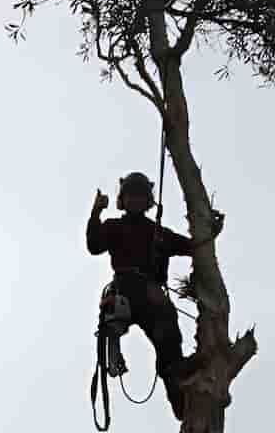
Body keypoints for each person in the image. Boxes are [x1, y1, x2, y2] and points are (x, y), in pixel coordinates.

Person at [86, 171, 203, 417]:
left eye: (140, 196)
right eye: (131, 196)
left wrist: (208, 233)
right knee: (166, 327)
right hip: (129, 292)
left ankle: (180, 402)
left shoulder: (158, 233)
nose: (136, 200)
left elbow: (191, 246)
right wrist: (96, 212)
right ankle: (178, 379)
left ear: (147, 200)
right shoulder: (115, 227)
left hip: (148, 298)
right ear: (124, 199)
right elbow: (94, 245)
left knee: (169, 347)